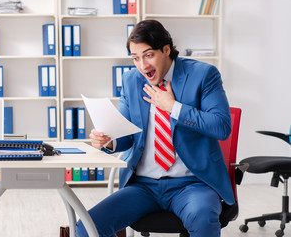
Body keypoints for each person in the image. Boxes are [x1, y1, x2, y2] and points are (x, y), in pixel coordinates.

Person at [75, 19, 234, 237]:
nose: (142, 66)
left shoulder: (203, 75)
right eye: (135, 58)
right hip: (143, 186)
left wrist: (173, 107)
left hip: (192, 184)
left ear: (166, 50)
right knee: (86, 227)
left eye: (148, 55)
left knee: (203, 219)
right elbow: (127, 135)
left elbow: (222, 126)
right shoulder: (131, 80)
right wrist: (109, 141)